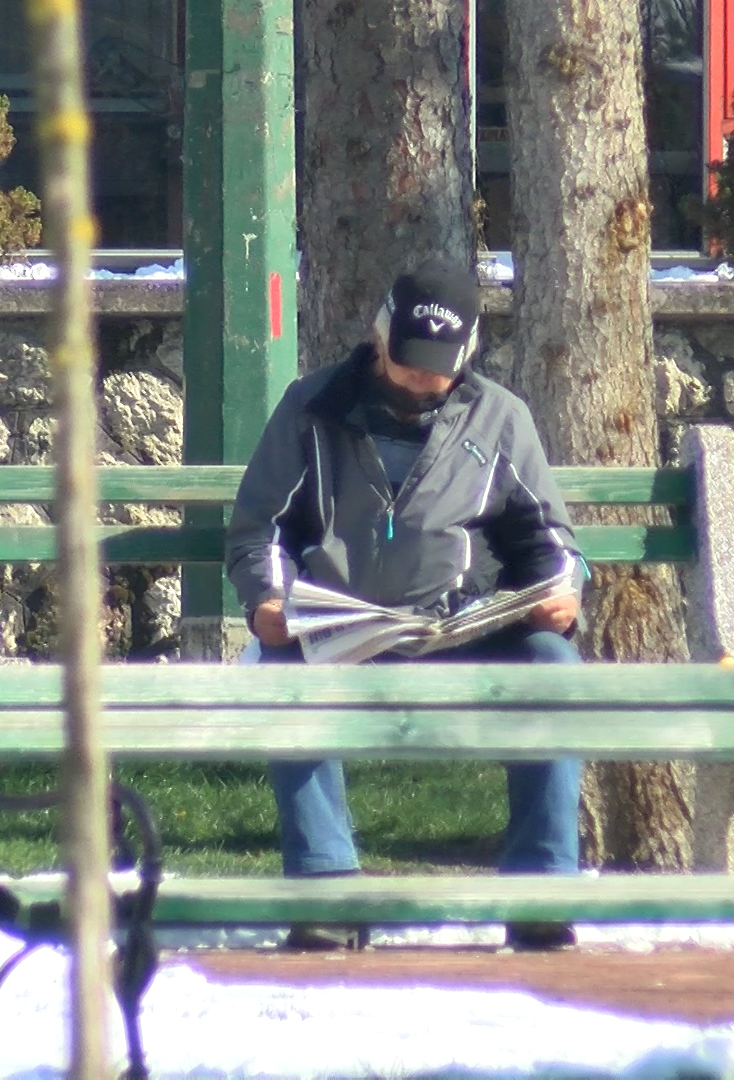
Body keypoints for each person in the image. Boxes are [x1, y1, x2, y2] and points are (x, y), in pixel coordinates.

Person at [225, 258, 588, 952]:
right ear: (379, 334)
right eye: (408, 359)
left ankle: (542, 889)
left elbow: (551, 543)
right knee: (284, 676)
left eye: (439, 367)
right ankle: (328, 891)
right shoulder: (312, 408)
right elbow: (259, 529)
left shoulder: (500, 419)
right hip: (343, 629)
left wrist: (560, 596)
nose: (422, 377)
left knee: (553, 666)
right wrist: (266, 598)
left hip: (464, 626)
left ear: (468, 353)